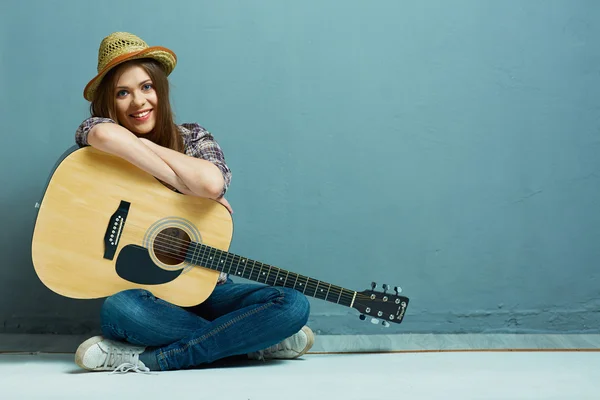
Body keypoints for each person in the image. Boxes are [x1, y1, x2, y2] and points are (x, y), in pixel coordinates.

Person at [73, 32, 313, 373]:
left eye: (146, 87)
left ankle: (152, 358)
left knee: (292, 305)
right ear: (108, 103)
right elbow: (103, 134)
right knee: (120, 309)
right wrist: (181, 185)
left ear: (160, 89)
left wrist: (150, 150)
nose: (138, 102)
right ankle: (251, 343)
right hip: (148, 300)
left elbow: (211, 183)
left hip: (209, 291)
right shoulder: (101, 133)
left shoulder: (193, 137)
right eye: (122, 93)